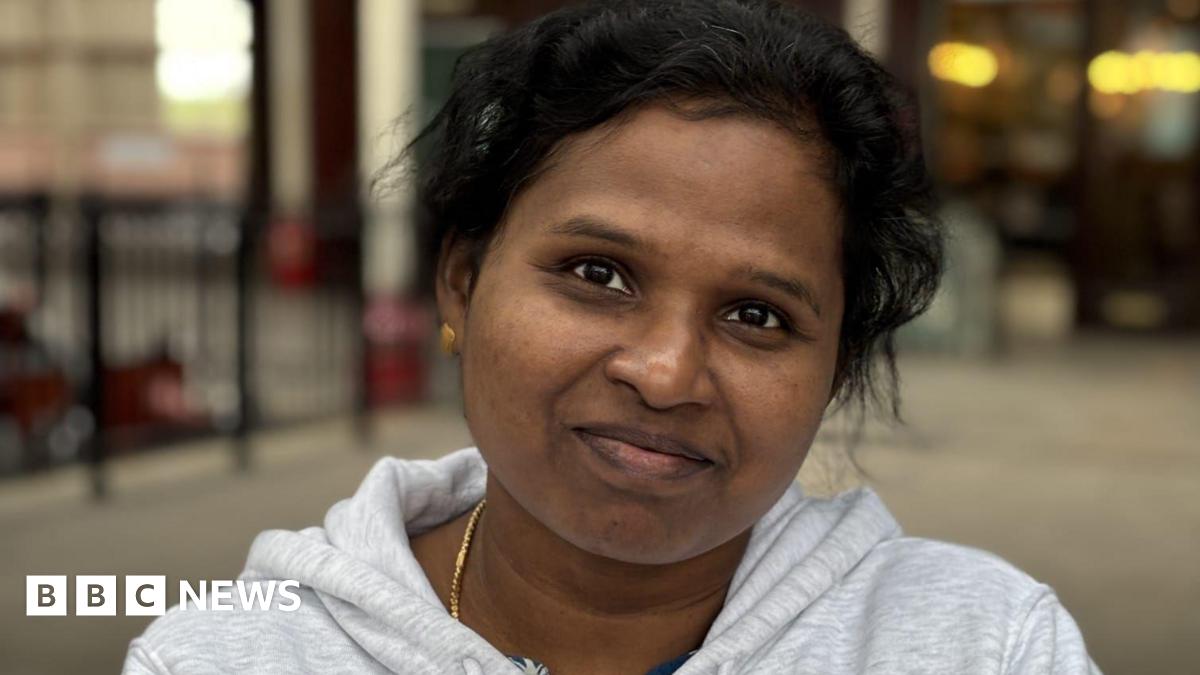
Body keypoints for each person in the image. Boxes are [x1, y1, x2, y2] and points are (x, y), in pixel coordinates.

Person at [123, 1, 1100, 673]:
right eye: (598, 274)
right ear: (462, 281)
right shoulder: (233, 653)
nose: (666, 373)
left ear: (837, 364)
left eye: (757, 315)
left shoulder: (988, 644)